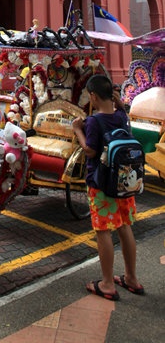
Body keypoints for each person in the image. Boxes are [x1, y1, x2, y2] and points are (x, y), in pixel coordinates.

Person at [72, 72, 145, 300]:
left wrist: (78, 130)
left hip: (101, 184)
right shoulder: (121, 116)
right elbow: (121, 111)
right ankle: (131, 278)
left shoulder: (94, 121)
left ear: (93, 96)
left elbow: (90, 150)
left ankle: (107, 283)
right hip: (124, 182)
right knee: (124, 227)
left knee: (103, 230)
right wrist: (118, 102)